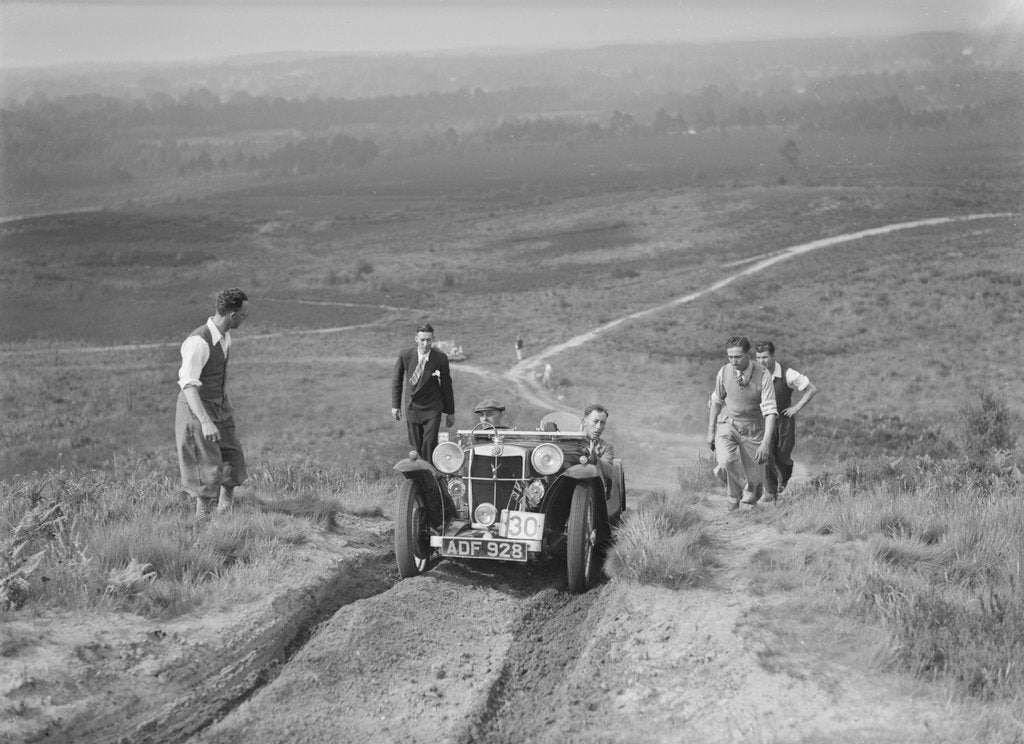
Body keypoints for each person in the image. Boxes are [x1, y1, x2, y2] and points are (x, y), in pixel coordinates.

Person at [175, 288, 249, 520]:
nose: (245, 319)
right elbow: (188, 385)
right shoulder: (198, 342)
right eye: (244, 315)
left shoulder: (225, 337)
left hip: (219, 405)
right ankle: (203, 519)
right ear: (233, 316)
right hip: (196, 410)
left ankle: (226, 507)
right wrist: (205, 421)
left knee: (233, 454)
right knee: (205, 463)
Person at [706, 336, 778, 510]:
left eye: (737, 356)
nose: (733, 361)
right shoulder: (724, 371)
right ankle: (734, 496)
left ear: (748, 354)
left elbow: (770, 413)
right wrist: (710, 431)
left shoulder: (763, 374)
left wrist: (765, 444)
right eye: (730, 357)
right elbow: (716, 401)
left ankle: (749, 494)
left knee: (755, 482)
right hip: (728, 424)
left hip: (753, 428)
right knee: (724, 462)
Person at [754, 340, 818, 502]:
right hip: (763, 419)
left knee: (783, 456)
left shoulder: (788, 374)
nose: (762, 361)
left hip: (783, 419)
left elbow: (811, 389)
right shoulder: (754, 373)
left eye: (765, 357)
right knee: (765, 453)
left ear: (773, 356)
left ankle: (784, 480)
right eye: (758, 357)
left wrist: (796, 408)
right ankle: (770, 491)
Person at [391, 323, 456, 459]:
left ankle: (431, 473)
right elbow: (397, 380)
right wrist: (395, 406)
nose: (425, 344)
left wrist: (450, 412)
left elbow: (446, 385)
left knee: (430, 443)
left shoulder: (440, 358)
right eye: (422, 340)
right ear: (416, 339)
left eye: (428, 340)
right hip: (412, 407)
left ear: (433, 339)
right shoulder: (405, 355)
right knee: (417, 445)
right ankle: (429, 472)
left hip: (432, 407)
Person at [581, 403, 615, 483]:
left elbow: (609, 471)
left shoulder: (606, 448)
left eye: (602, 423)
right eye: (595, 421)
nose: (599, 427)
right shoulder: (569, 442)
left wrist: (595, 459)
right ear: (584, 421)